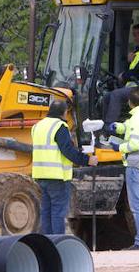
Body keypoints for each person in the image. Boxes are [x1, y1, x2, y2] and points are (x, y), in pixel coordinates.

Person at [31, 99, 94, 235]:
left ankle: (47, 243)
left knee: (46, 212)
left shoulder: (37, 126)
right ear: (64, 113)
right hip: (57, 177)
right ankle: (58, 243)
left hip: (41, 176)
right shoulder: (60, 126)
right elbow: (68, 151)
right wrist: (88, 160)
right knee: (58, 213)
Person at [109, 86, 139, 250]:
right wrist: (118, 127)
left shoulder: (137, 118)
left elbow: (135, 143)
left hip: (136, 166)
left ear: (130, 102)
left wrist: (119, 147)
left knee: (137, 206)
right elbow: (129, 127)